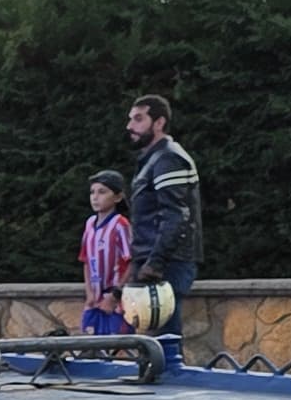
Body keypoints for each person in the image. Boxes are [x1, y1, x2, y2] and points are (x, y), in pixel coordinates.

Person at [121, 90, 203, 340]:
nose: (130, 126)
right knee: (152, 340)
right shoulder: (153, 158)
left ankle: (168, 377)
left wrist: (155, 263)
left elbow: (176, 216)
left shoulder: (168, 157)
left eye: (138, 119)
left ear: (159, 123)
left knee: (164, 339)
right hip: (155, 259)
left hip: (168, 262)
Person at [77, 170, 134, 336]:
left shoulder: (120, 224)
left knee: (118, 350)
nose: (95, 197)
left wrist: (115, 295)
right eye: (92, 192)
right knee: (89, 345)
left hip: (116, 301)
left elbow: (132, 261)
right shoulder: (89, 224)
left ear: (117, 197)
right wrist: (89, 294)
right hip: (95, 300)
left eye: (102, 192)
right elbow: (86, 261)